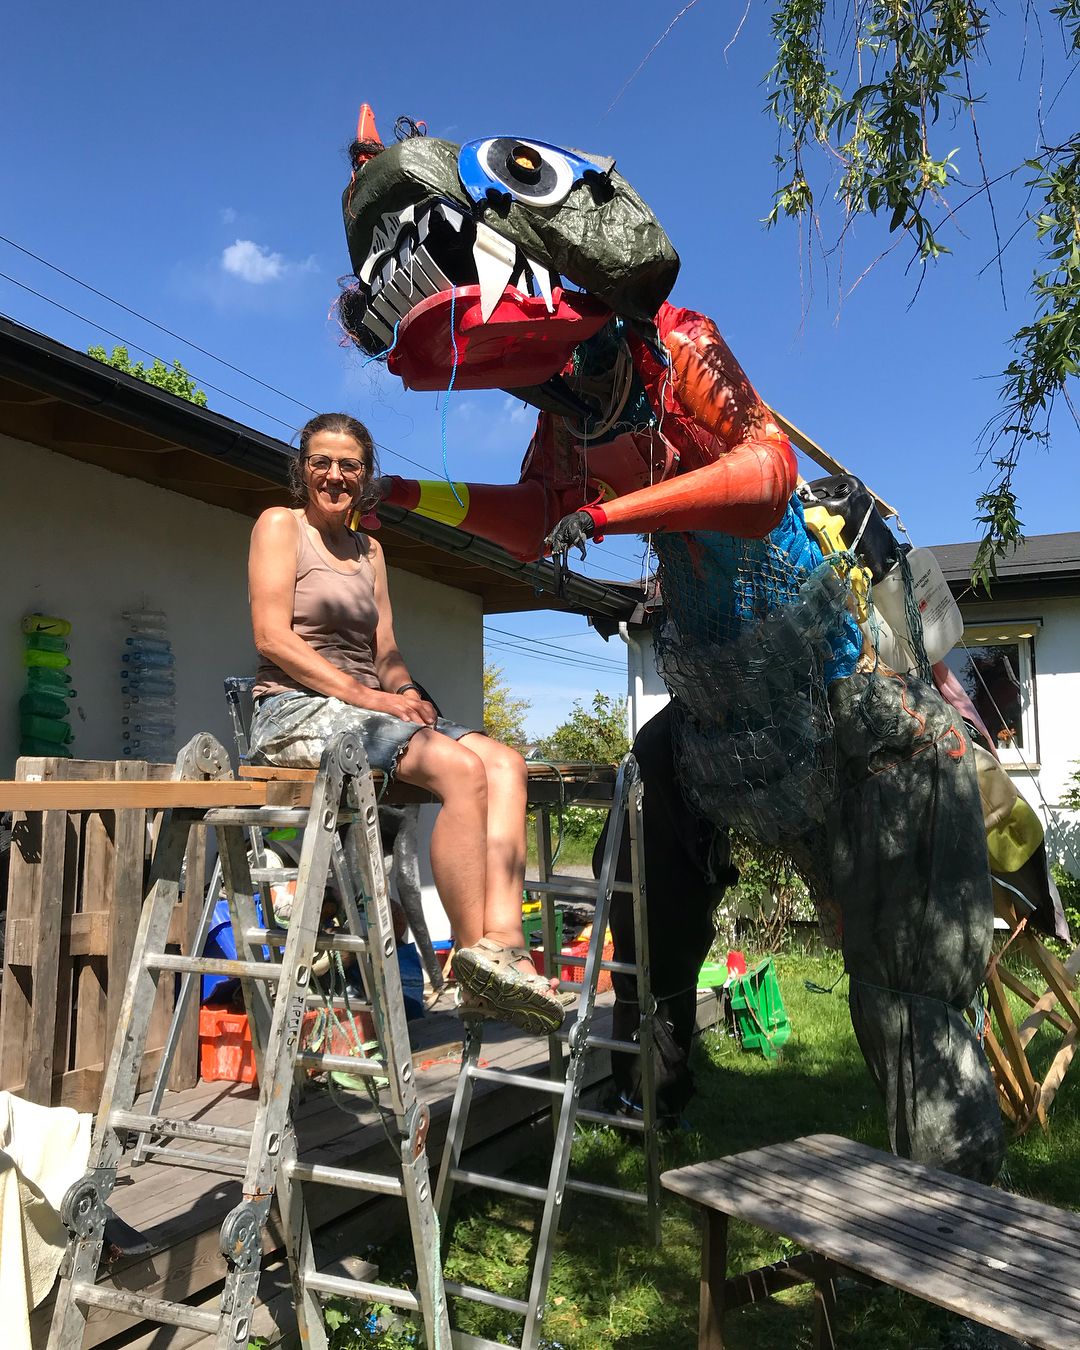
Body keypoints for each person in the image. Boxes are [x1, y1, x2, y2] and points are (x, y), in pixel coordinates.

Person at [247, 411, 564, 1034]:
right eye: (321, 462)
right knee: (459, 769)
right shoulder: (281, 526)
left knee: (505, 763)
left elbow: (385, 653)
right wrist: (371, 699)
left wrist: (409, 695)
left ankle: (503, 947)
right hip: (291, 709)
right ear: (301, 469)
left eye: (349, 465)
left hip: (363, 707)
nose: (334, 475)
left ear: (366, 477)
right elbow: (272, 637)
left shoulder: (372, 551)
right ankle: (476, 962)